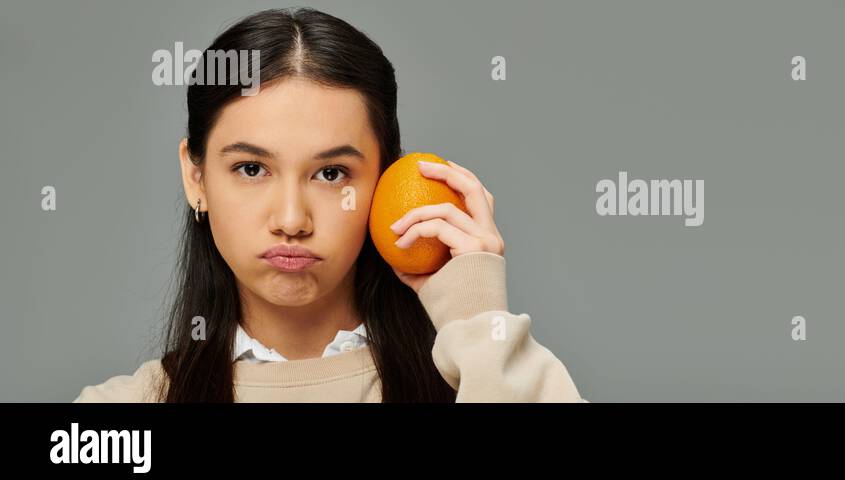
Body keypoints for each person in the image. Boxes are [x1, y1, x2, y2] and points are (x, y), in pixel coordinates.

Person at [74, 7, 583, 403]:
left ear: (384, 182)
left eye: (331, 173)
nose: (292, 220)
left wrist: (480, 325)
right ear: (196, 176)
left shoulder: (478, 382)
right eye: (251, 169)